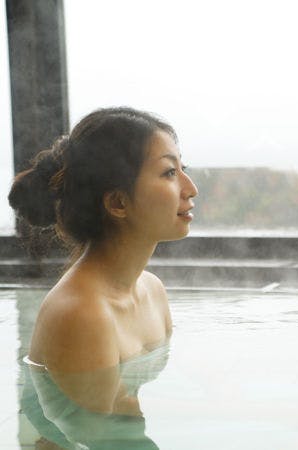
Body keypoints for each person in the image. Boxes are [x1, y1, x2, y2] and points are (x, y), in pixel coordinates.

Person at [9, 106, 198, 416]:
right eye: (169, 173)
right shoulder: (83, 315)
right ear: (118, 202)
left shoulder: (152, 290)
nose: (191, 189)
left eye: (182, 168)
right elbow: (100, 434)